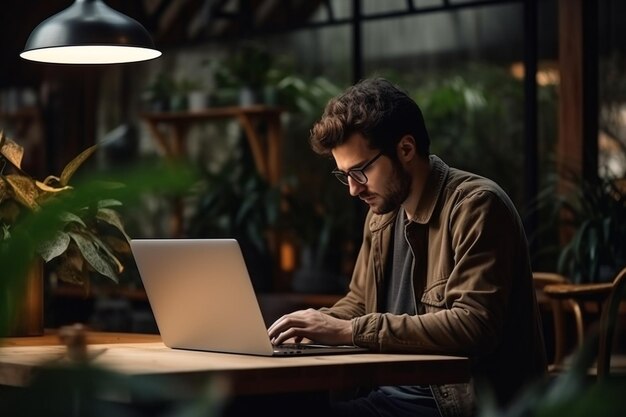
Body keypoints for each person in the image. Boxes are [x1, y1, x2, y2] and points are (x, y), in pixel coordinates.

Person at [267, 78, 547, 417]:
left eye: (359, 171)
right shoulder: (382, 213)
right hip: (385, 396)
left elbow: (474, 326)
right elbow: (358, 303)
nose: (353, 190)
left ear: (406, 149)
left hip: (455, 407)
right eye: (344, 175)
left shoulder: (476, 206)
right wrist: (306, 327)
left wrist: (346, 331)